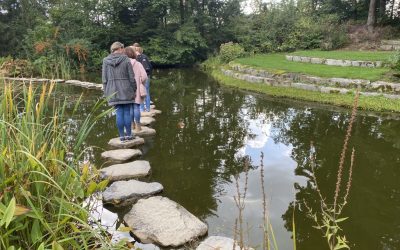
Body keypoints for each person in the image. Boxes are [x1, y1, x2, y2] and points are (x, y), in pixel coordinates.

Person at [102, 41, 136, 142]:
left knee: (119, 112)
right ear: (120, 48)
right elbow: (131, 77)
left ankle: (121, 136)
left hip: (112, 91)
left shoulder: (105, 60)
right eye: (123, 48)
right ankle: (129, 135)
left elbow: (104, 79)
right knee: (126, 112)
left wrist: (106, 92)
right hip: (126, 89)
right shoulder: (125, 59)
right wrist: (133, 89)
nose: (124, 50)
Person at [125, 46, 148, 132]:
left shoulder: (123, 64)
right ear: (133, 54)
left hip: (127, 88)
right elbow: (145, 76)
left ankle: (132, 125)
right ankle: (138, 125)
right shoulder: (138, 64)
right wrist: (140, 82)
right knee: (136, 107)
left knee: (130, 107)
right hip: (137, 87)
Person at [134, 46, 152, 112]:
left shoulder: (136, 58)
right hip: (147, 76)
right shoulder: (145, 56)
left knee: (140, 92)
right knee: (147, 92)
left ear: (136, 51)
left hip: (139, 77)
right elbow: (150, 66)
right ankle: (148, 108)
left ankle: (141, 109)